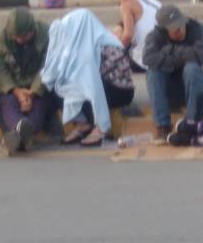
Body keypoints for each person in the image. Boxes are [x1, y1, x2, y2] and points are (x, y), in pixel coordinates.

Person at [40, 9, 135, 147]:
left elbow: (93, 79)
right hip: (97, 86)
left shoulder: (106, 43)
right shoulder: (79, 44)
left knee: (82, 82)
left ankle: (101, 127)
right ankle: (82, 125)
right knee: (58, 84)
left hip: (118, 90)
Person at [0, 7, 55, 156]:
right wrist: (17, 92)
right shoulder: (1, 39)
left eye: (24, 36)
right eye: (16, 37)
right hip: (12, 88)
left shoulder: (47, 34)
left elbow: (49, 65)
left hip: (39, 87)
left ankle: (16, 136)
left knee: (40, 104)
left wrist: (33, 92)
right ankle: (23, 132)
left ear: (33, 30)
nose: (19, 40)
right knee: (8, 103)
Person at [143, 4, 203, 138]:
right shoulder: (154, 36)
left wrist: (169, 51)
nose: (180, 31)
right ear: (164, 29)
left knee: (192, 67)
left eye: (181, 25)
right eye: (175, 29)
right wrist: (183, 57)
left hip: (197, 86)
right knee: (153, 72)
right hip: (172, 90)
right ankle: (162, 126)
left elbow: (199, 56)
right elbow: (148, 58)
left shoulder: (199, 30)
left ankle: (192, 122)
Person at [111, 0, 161, 72]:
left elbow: (128, 35)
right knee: (119, 28)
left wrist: (114, 55)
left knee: (116, 33)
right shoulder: (153, 0)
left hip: (144, 62)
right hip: (163, 57)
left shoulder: (127, 4)